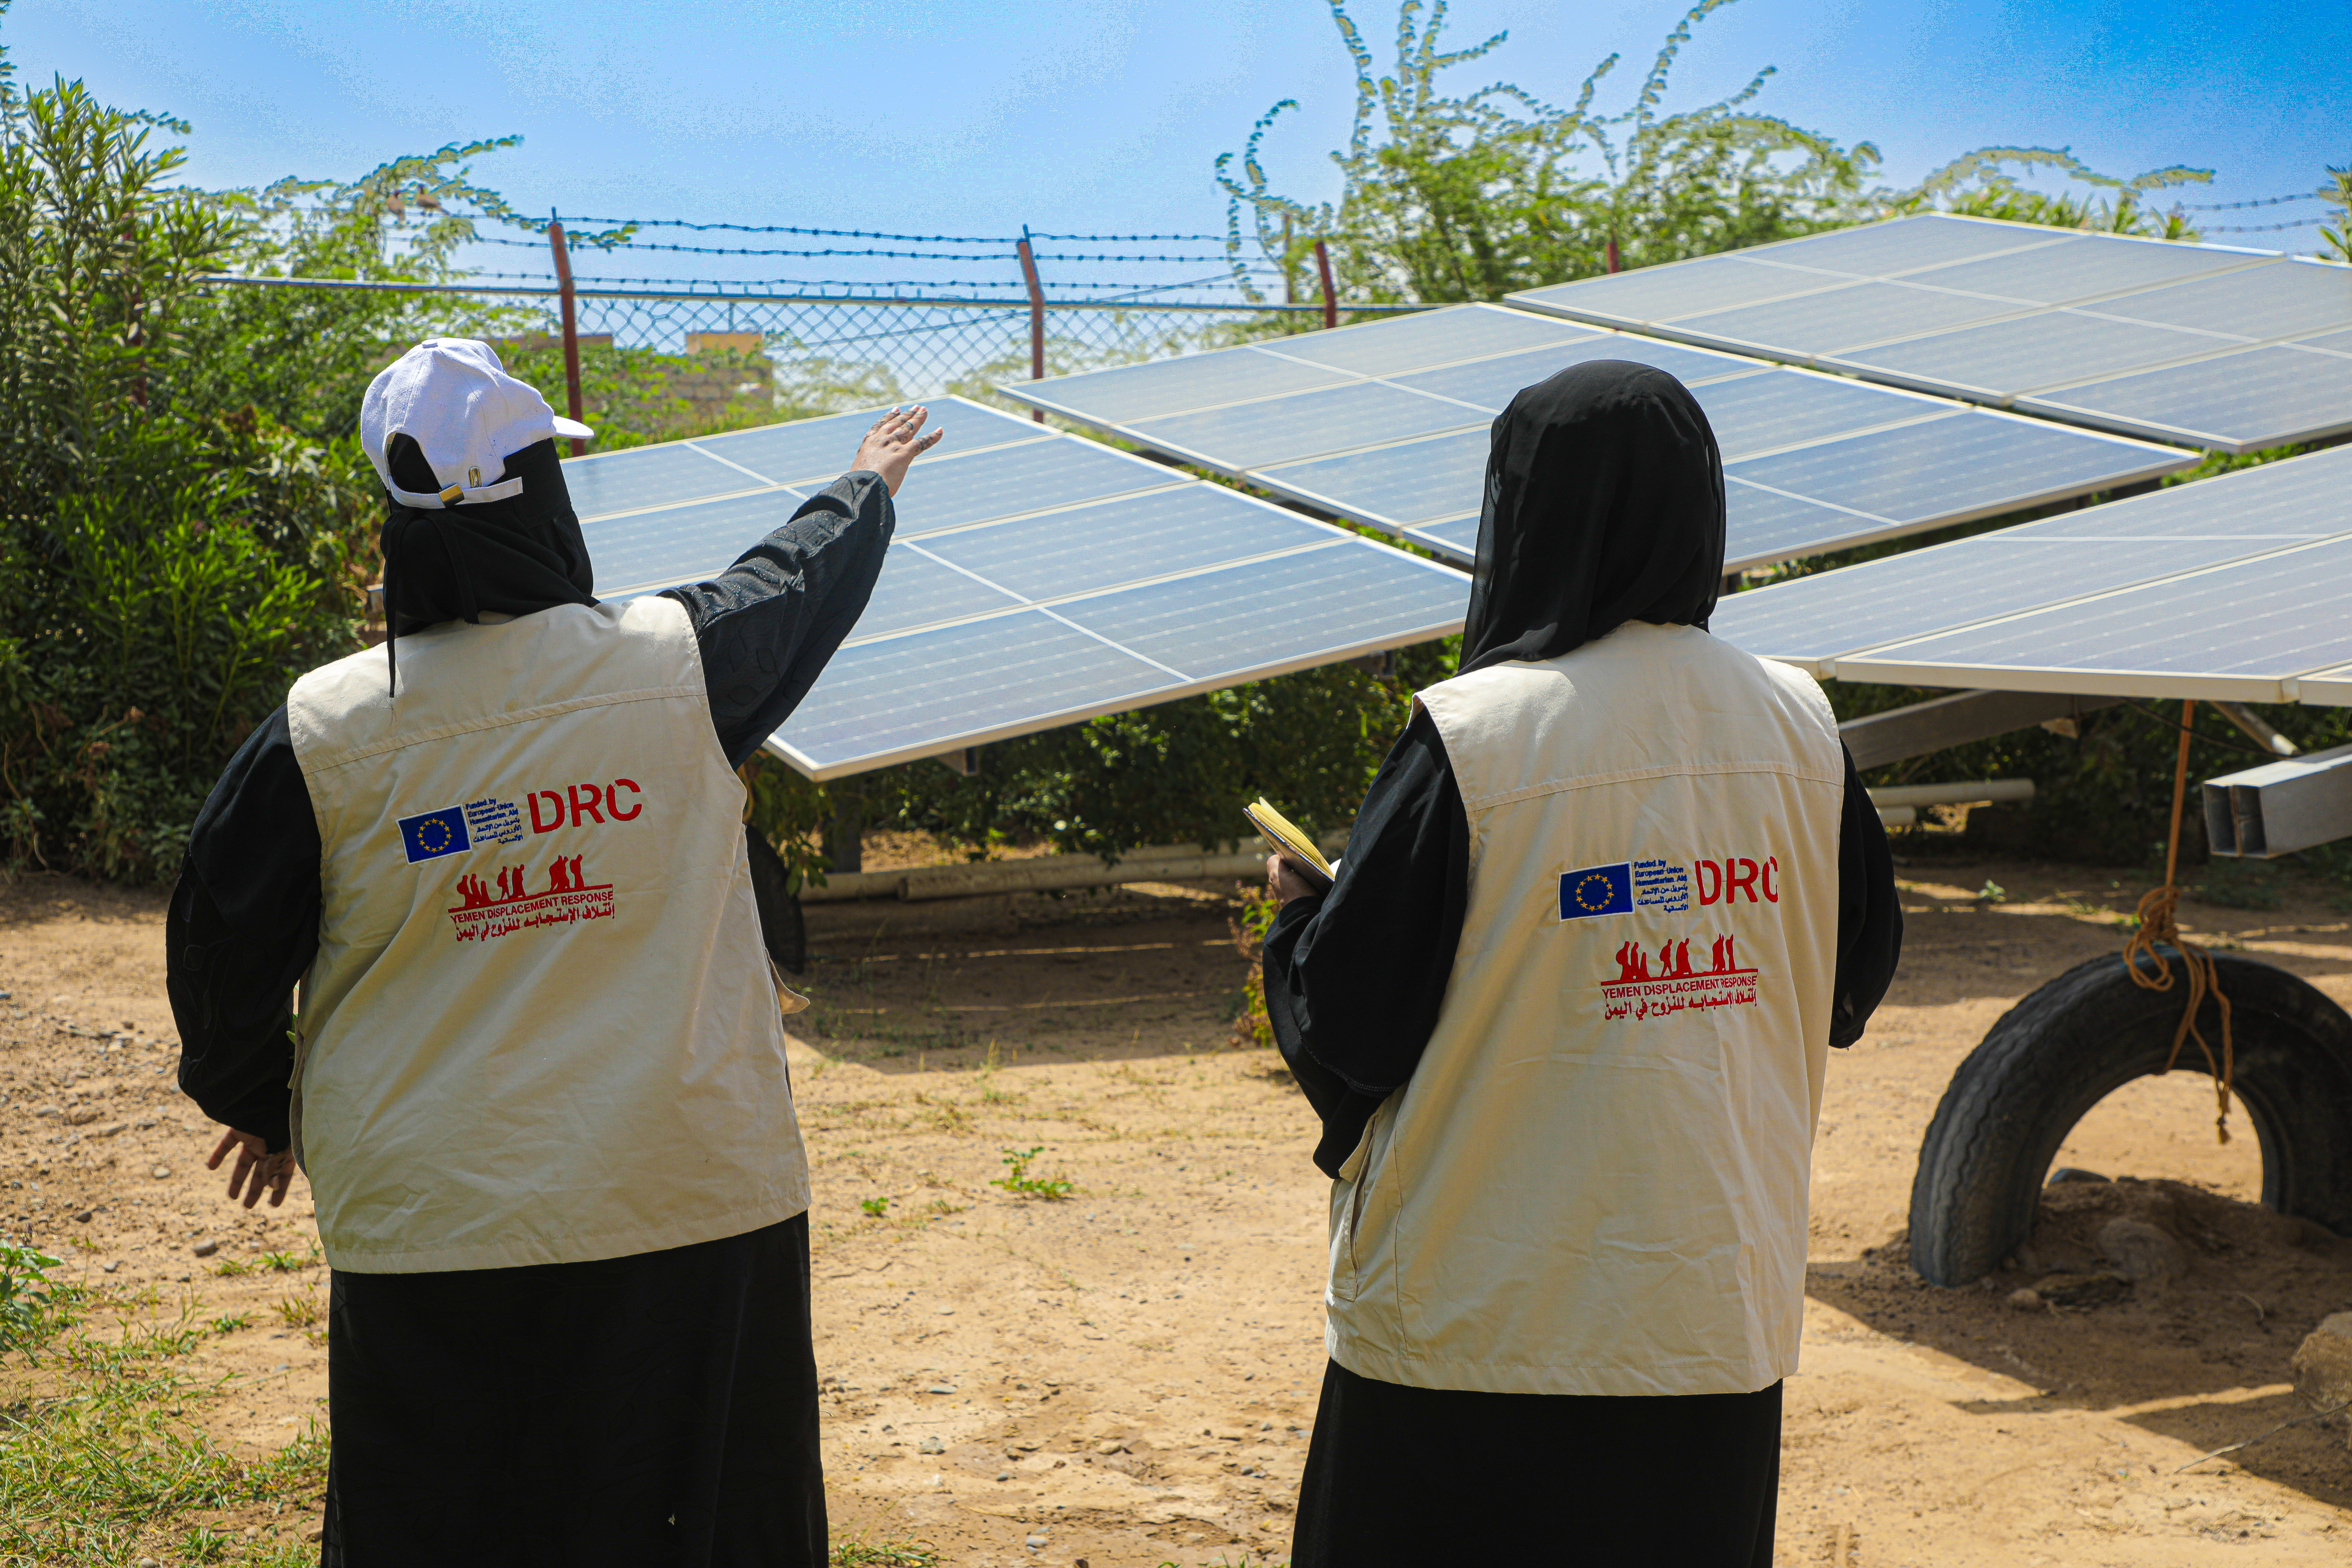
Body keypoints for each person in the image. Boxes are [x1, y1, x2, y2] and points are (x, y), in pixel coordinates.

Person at [165, 337, 941, 1566]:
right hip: (687, 1198)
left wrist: (260, 1100)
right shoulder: (676, 666)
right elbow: (790, 586)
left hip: (431, 1223)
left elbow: (219, 943)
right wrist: (865, 484)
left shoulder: (321, 731)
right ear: (545, 495)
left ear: (400, 520)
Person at [1260, 360, 1902, 1567]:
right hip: (1706, 1325)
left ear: (1525, 514)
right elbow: (1850, 974)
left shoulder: (1477, 732)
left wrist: (1299, 925)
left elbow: (1355, 1021)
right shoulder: (1801, 725)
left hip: (1473, 1329)